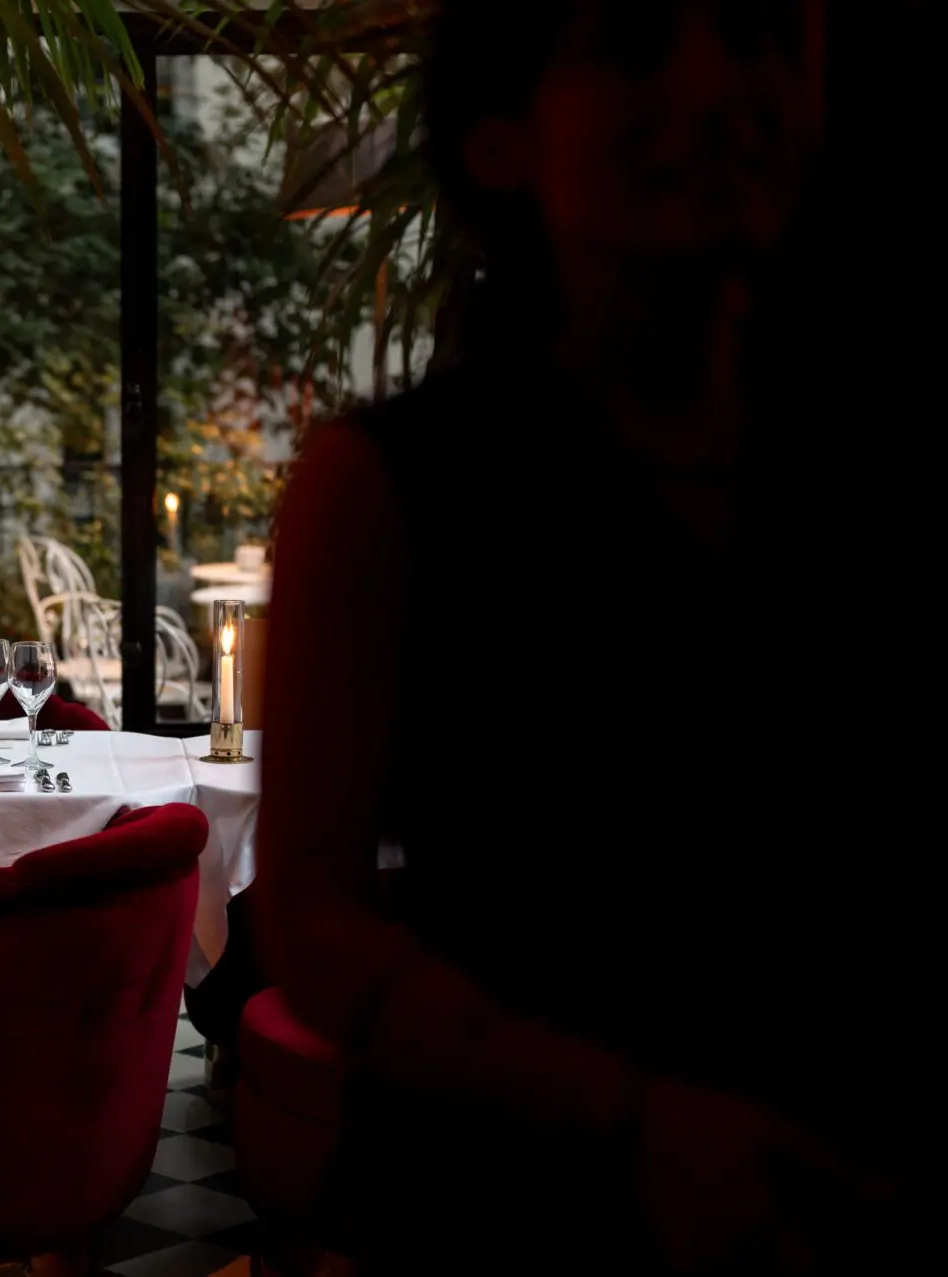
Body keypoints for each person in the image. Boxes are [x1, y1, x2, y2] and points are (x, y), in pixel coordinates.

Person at [256, 1, 921, 1272]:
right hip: (503, 1208)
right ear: (502, 138)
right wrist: (638, 1123)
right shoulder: (397, 486)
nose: (720, 83)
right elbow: (315, 918)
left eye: (766, 33)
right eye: (631, 44)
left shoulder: (866, 467)